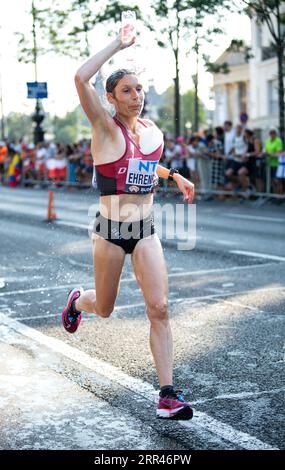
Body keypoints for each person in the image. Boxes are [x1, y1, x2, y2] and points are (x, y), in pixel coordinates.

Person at [61, 30, 194, 420]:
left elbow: (142, 166)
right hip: (111, 233)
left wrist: (174, 176)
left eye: (139, 90)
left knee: (160, 307)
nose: (136, 96)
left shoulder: (153, 132)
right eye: (127, 91)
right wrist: (118, 45)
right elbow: (80, 78)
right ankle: (77, 301)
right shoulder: (104, 127)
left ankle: (167, 395)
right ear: (111, 97)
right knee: (104, 308)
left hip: (146, 230)